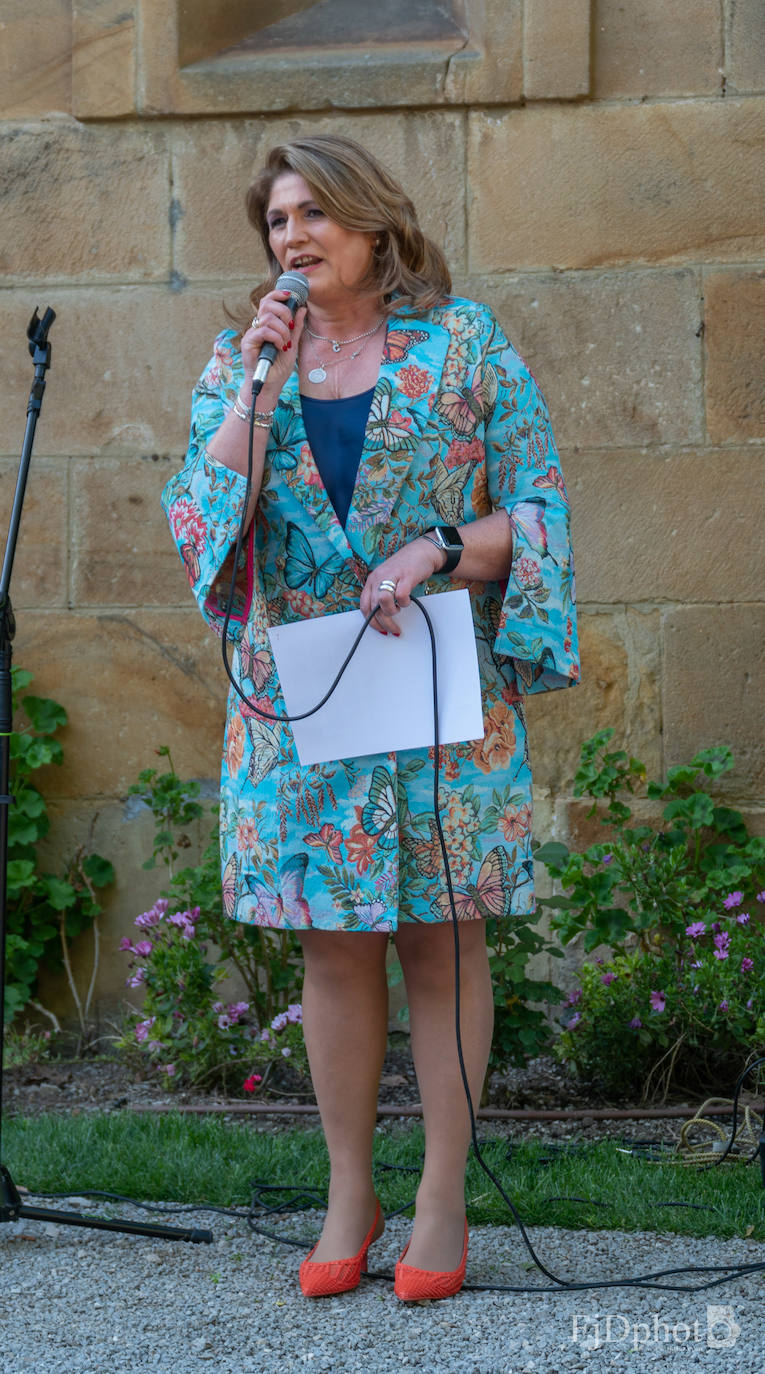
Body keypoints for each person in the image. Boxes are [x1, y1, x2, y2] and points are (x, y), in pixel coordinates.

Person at [161, 133, 579, 1301]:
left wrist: (441, 543)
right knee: (331, 946)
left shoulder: (467, 347)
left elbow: (538, 518)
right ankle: (352, 1186)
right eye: (276, 222)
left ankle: (442, 1192)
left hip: (440, 700)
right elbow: (203, 529)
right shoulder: (240, 369)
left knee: (443, 942)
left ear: (373, 224)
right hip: (303, 708)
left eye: (312, 214)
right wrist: (258, 386)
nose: (292, 237)